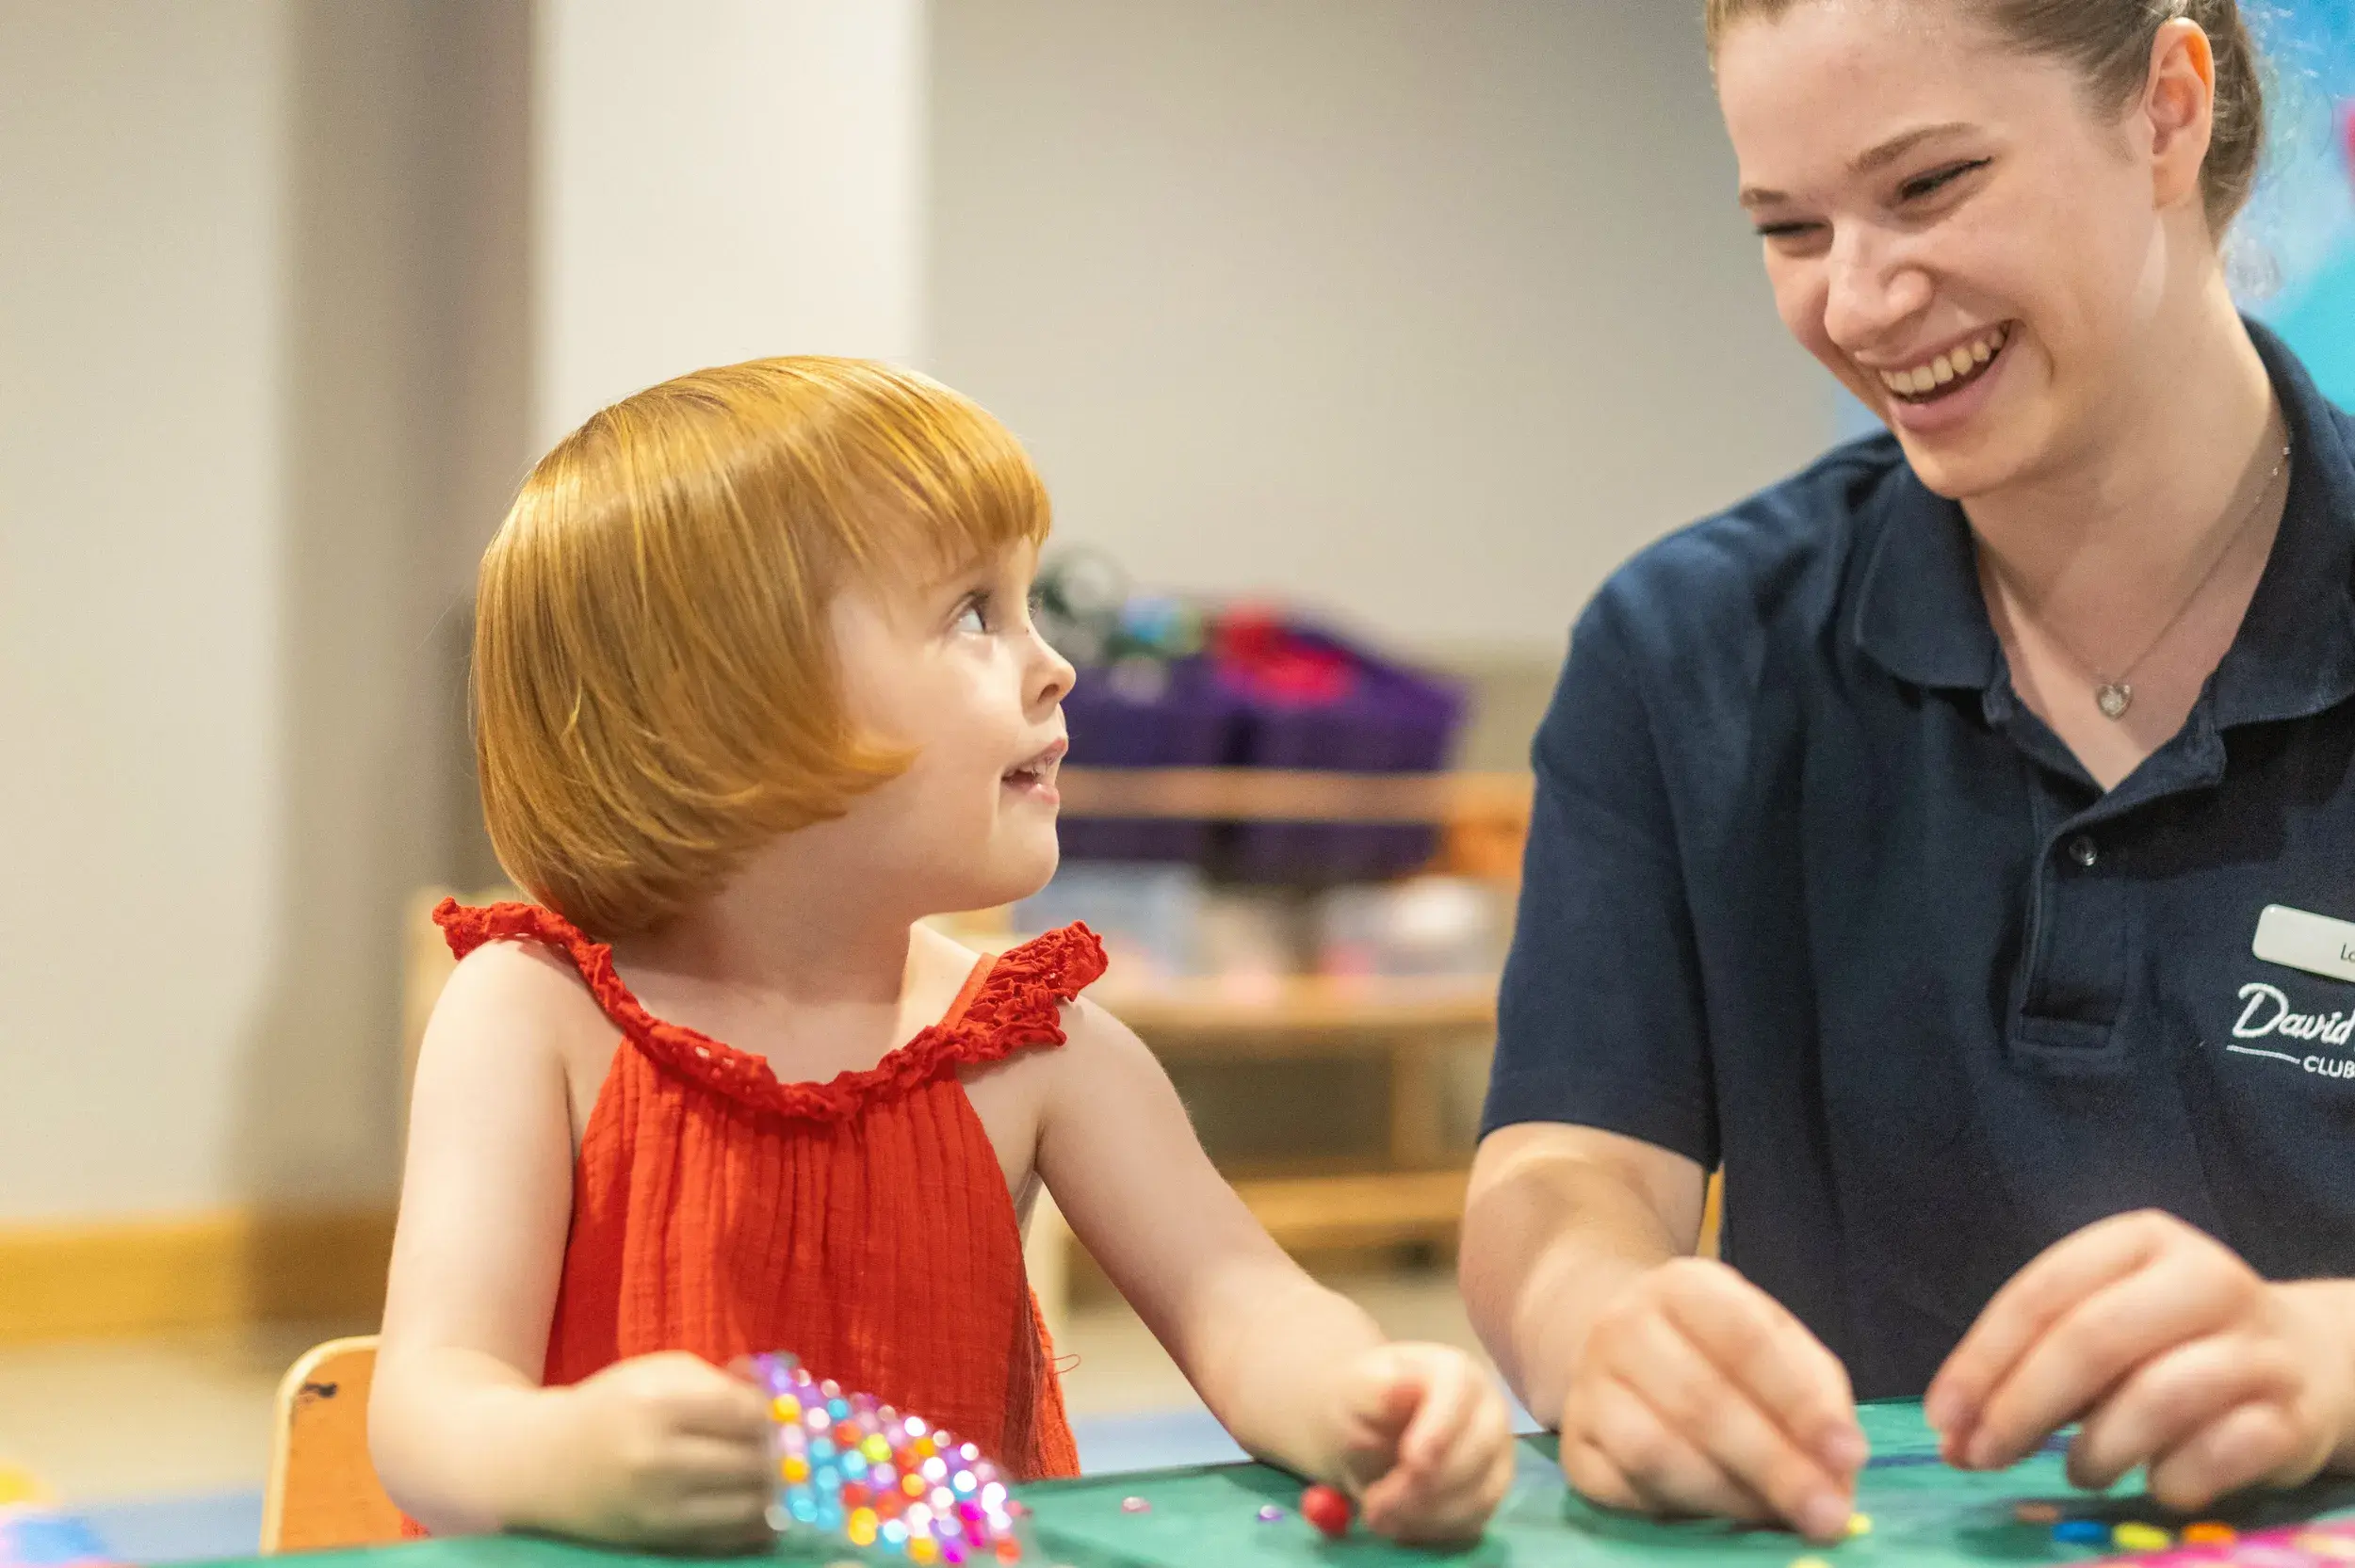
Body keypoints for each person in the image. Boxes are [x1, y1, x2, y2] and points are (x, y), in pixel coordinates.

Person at [1460, 0, 2355, 1546]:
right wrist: (1600, 1321)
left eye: (1930, 187)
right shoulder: (1689, 656)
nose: (1862, 300)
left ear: (2165, 106)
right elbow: (1565, 1164)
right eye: (1790, 226)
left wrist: (2333, 1360)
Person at [367, 358, 1516, 1551]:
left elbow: (1245, 1307)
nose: (1053, 663)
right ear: (725, 709)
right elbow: (428, 1406)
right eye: (974, 613)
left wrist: (1369, 1405)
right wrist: (564, 1459)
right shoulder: (531, 1014)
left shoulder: (1038, 1045)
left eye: (1029, 608)